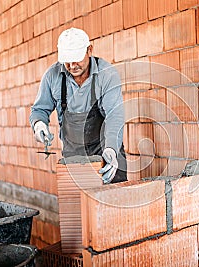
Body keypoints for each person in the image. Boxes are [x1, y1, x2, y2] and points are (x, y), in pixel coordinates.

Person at [29, 27, 127, 184]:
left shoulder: (107, 74)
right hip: (73, 154)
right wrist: (39, 124)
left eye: (76, 59)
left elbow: (114, 115)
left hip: (106, 149)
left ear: (89, 50)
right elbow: (39, 109)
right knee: (76, 204)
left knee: (114, 201)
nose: (72, 65)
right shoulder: (52, 76)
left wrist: (111, 150)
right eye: (67, 60)